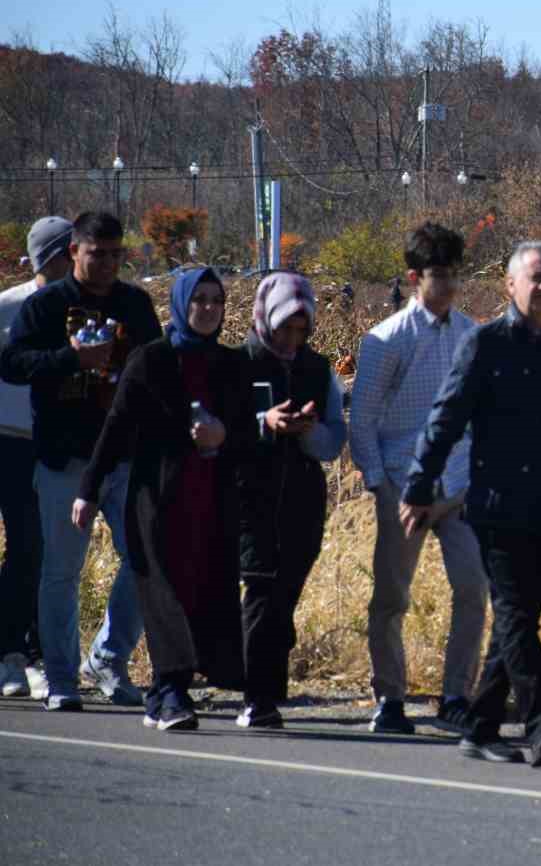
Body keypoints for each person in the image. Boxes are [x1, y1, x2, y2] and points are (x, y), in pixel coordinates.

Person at [402, 240, 541, 768]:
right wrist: (419, 485)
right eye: (536, 277)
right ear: (511, 284)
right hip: (496, 504)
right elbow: (445, 419)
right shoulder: (484, 345)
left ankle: (481, 725)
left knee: (520, 617)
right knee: (513, 612)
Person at [74, 267, 253, 730]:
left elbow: (249, 437)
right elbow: (116, 429)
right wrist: (88, 491)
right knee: (164, 593)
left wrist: (224, 433)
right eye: (199, 300)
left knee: (202, 591)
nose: (208, 309)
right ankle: (171, 691)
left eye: (216, 300)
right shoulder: (151, 360)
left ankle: (165, 692)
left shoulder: (233, 365)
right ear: (180, 304)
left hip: (212, 500)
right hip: (157, 498)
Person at [0, 212, 161, 711]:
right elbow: (13, 364)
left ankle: (108, 658)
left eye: (116, 254)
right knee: (60, 571)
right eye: (98, 253)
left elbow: (158, 365)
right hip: (63, 455)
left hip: (122, 455)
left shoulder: (134, 304)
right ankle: (63, 676)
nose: (109, 263)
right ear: (74, 252)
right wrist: (70, 359)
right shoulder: (47, 306)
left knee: (144, 558)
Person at [348, 224, 488, 735]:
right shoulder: (386, 340)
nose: (449, 285)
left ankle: (456, 696)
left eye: (454, 274)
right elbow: (361, 420)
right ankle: (389, 698)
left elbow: (477, 413)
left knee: (473, 588)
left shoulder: (471, 335)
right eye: (438, 275)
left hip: (457, 486)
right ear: (414, 277)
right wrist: (381, 485)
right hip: (403, 487)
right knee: (391, 598)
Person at [237, 273, 347, 729]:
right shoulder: (239, 363)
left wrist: (308, 432)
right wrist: (265, 423)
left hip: (301, 498)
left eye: (302, 330)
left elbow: (334, 439)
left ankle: (267, 687)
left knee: (284, 595)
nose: (292, 338)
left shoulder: (318, 370)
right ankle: (256, 697)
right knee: (261, 590)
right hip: (251, 495)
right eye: (285, 327)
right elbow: (220, 427)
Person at [0, 217, 75, 699]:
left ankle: (30, 652)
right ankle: (11, 652)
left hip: (54, 442)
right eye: (71, 251)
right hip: (6, 439)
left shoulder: (83, 308)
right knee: (27, 546)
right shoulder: (8, 306)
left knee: (45, 552)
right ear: (50, 257)